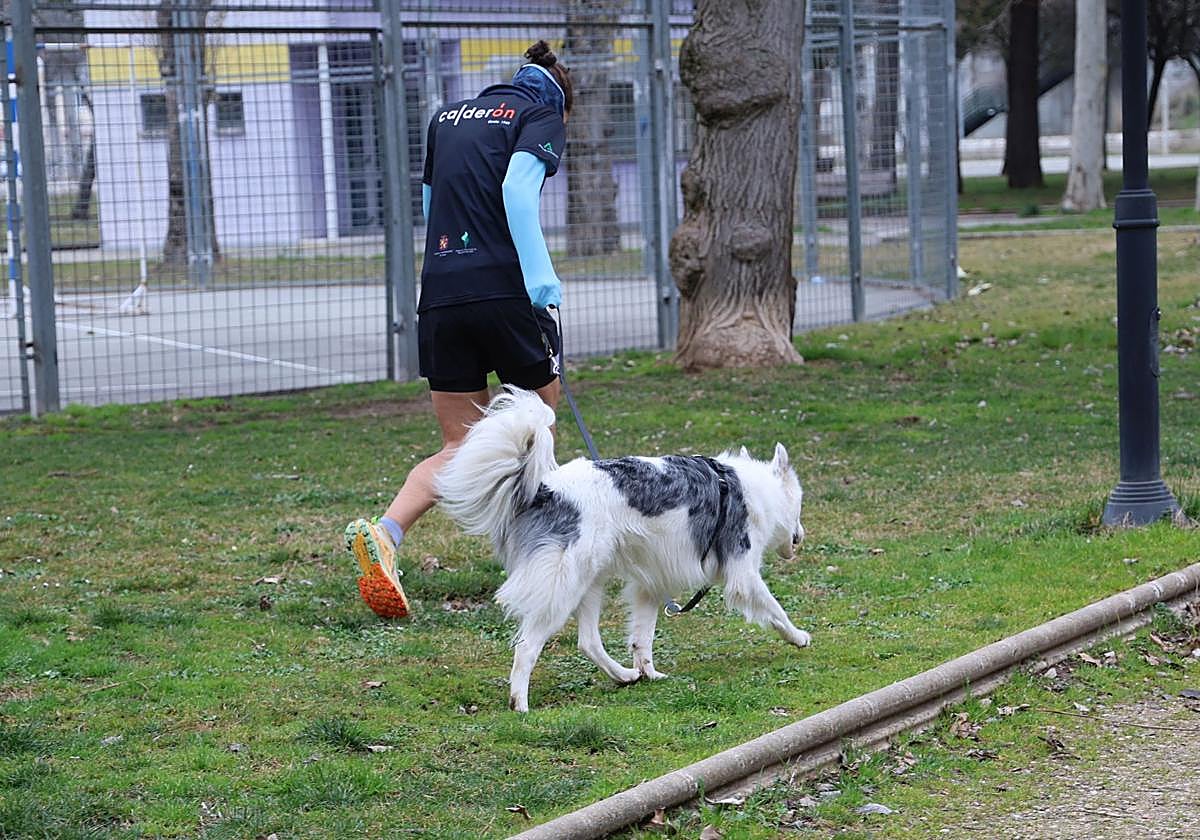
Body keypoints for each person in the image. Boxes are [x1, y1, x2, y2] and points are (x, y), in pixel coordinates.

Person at [343, 41, 574, 607]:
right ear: (561, 101)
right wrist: (540, 281)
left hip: (441, 294)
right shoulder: (540, 114)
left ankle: (387, 533)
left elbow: (431, 208)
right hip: (506, 291)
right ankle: (538, 555)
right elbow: (519, 193)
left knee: (459, 442)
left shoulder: (445, 117)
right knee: (538, 423)